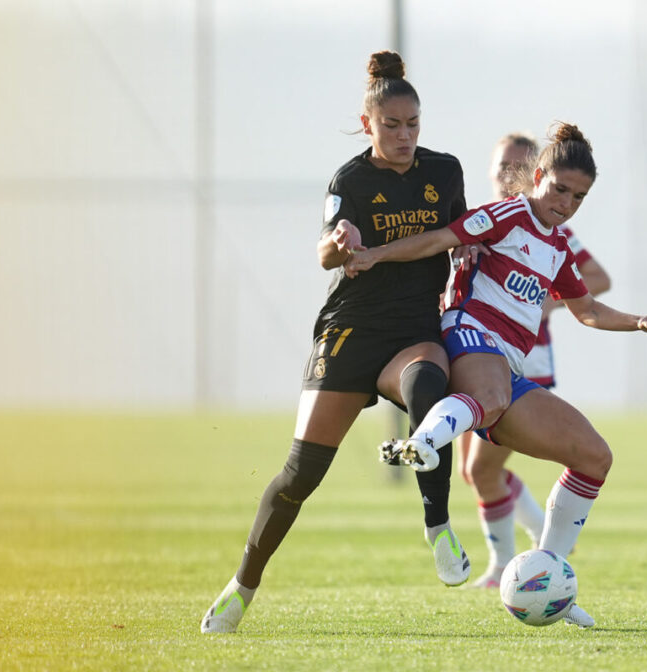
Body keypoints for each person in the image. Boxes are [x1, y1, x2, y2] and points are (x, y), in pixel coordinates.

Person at [344, 122, 647, 628]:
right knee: (491, 403)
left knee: (593, 456)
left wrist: (639, 321)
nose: (566, 203)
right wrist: (375, 254)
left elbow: (586, 310)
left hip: (509, 366)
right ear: (537, 175)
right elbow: (438, 239)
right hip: (467, 330)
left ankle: (550, 579)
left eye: (579, 197)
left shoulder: (559, 247)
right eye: (560, 189)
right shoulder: (507, 214)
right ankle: (426, 438)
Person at [201, 51, 472, 634]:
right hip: (351, 329)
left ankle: (438, 526)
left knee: (429, 385)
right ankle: (242, 585)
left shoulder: (445, 172)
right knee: (300, 475)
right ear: (368, 123)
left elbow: (459, 232)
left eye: (413, 125)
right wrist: (340, 241)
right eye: (392, 125)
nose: (404, 136)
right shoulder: (350, 179)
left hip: (413, 329)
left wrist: (471, 249)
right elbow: (326, 248)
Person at [458, 133, 612, 589]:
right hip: (478, 354)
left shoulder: (552, 226)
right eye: (502, 165)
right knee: (475, 471)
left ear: (534, 173)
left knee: (482, 468)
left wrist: (550, 302)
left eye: (517, 165)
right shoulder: (486, 222)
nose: (509, 173)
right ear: (490, 171)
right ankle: (530, 547)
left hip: (526, 361)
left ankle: (517, 560)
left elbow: (597, 279)